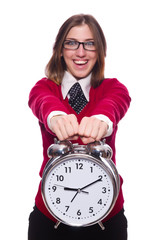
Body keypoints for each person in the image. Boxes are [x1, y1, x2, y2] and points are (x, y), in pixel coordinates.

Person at [28, 14, 131, 240]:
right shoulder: (45, 88)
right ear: (60, 49)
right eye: (72, 43)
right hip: (50, 219)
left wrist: (102, 120)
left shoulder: (112, 88)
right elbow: (41, 101)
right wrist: (55, 117)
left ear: (100, 50)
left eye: (90, 44)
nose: (81, 52)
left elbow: (115, 103)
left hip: (107, 221)